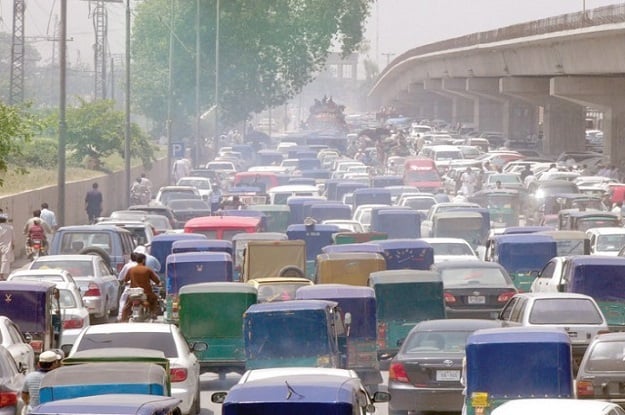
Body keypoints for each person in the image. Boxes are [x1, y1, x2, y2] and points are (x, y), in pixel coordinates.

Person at [121, 253, 162, 321]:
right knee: (154, 299)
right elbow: (157, 281)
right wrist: (159, 284)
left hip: (133, 293)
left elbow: (125, 280)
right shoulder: (147, 270)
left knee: (127, 306)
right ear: (143, 260)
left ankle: (123, 320)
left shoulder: (131, 269)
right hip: (146, 293)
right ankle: (153, 313)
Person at [0, 214, 15, 281]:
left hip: (4, 245)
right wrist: (13, 245)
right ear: (5, 220)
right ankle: (1, 275)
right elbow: (13, 238)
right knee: (4, 261)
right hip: (6, 246)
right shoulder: (10, 228)